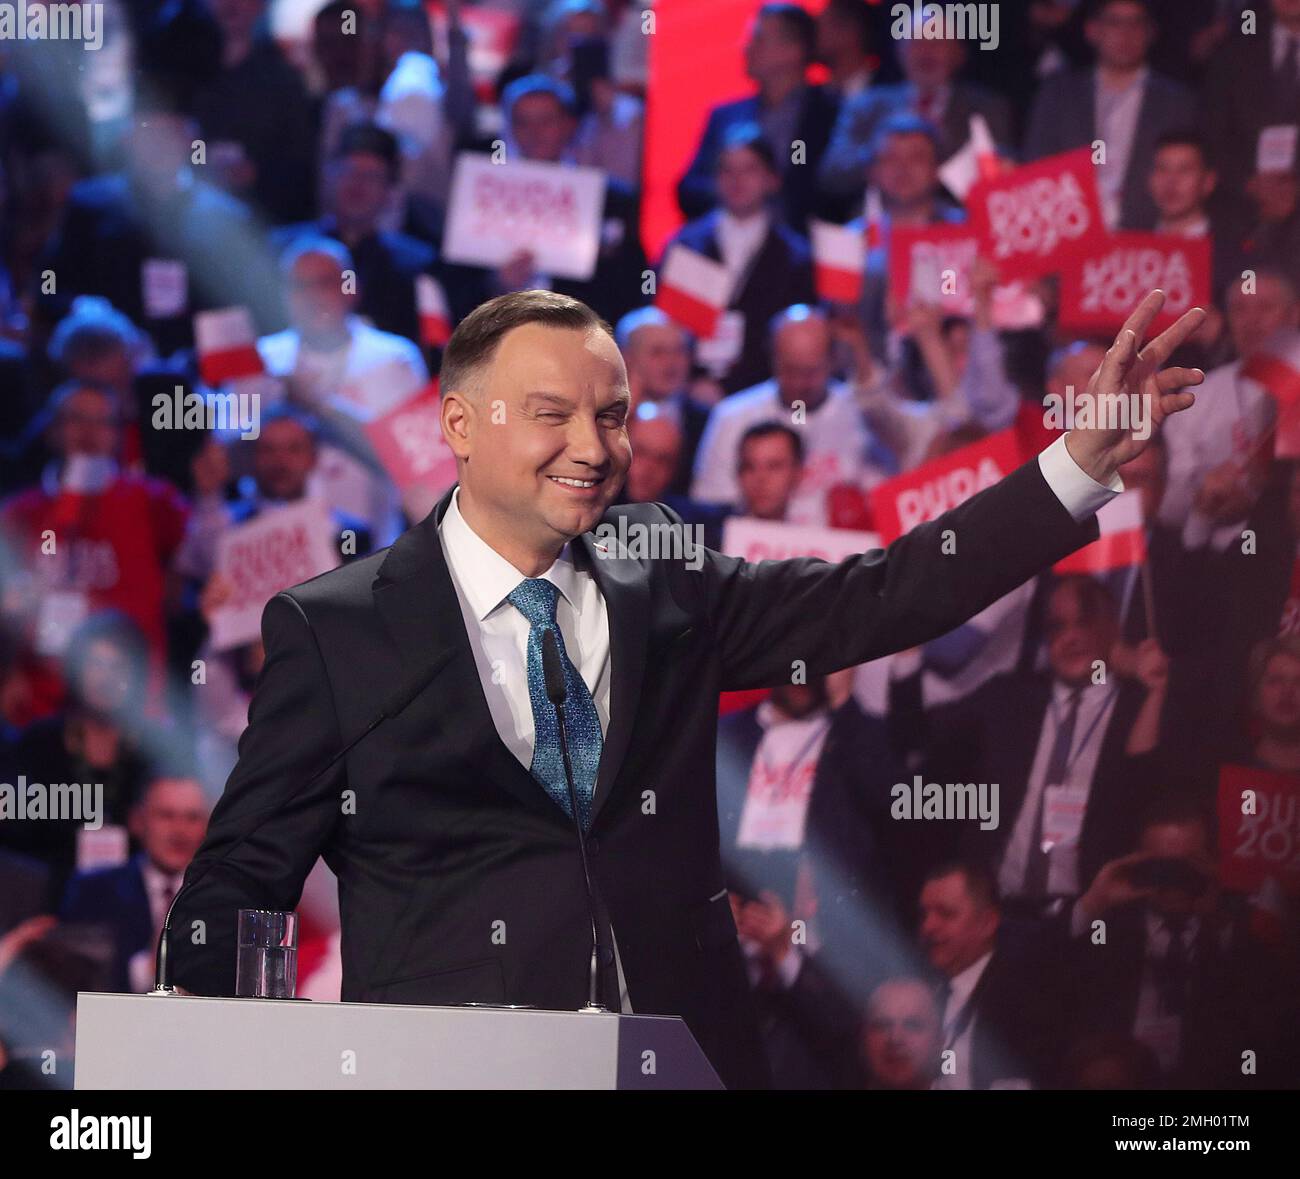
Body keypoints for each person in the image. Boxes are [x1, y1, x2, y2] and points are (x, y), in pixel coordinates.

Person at [167, 286, 1207, 1090]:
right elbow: (235, 885)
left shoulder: (665, 576)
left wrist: (1070, 467)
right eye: (552, 415)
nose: (595, 448)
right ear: (459, 425)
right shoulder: (337, 629)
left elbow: (881, 597)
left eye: (613, 415)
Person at [664, 125, 816, 395]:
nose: (737, 180)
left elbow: (798, 342)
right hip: (688, 393)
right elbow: (663, 327)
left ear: (772, 179)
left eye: (749, 169)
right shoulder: (685, 247)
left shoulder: (796, 257)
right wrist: (691, 384)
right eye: (727, 170)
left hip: (764, 395)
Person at [1023, 0, 1196, 229]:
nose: (1126, 33)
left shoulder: (1176, 102)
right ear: (1092, 31)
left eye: (1136, 23)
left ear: (1151, 32)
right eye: (1115, 22)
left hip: (1145, 239)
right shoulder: (1059, 95)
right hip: (1070, 237)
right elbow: (1035, 167)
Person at [677, 3, 839, 231]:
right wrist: (738, 192)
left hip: (802, 253)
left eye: (759, 39)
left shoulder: (832, 113)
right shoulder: (725, 116)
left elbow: (835, 189)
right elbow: (689, 189)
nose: (747, 48)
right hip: (727, 246)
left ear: (794, 51)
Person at [58, 776, 208, 993]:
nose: (179, 831)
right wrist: (148, 969)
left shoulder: (220, 897)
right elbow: (74, 981)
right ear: (138, 821)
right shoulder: (93, 890)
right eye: (166, 816)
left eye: (192, 818)